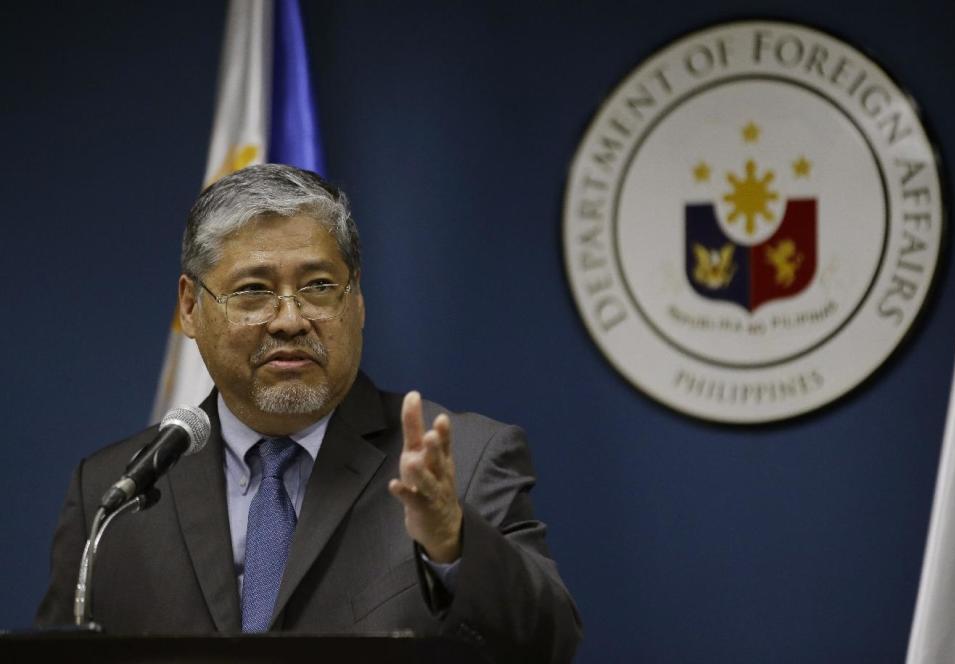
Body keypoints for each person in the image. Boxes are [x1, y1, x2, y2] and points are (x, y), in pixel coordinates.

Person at [35, 164, 582, 662]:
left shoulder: (464, 459)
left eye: (319, 287)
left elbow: (550, 642)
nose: (290, 320)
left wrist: (452, 544)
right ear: (189, 308)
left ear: (357, 301)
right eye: (253, 291)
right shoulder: (112, 494)